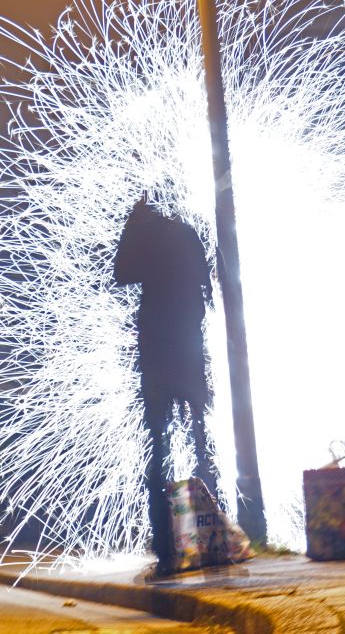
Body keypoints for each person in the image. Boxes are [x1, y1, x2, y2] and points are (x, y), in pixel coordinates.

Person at [112, 192, 217, 578]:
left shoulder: (148, 240)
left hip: (158, 359)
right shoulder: (188, 234)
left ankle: (168, 550)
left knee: (157, 451)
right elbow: (207, 290)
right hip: (190, 353)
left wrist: (131, 224)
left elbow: (120, 273)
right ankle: (211, 537)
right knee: (203, 445)